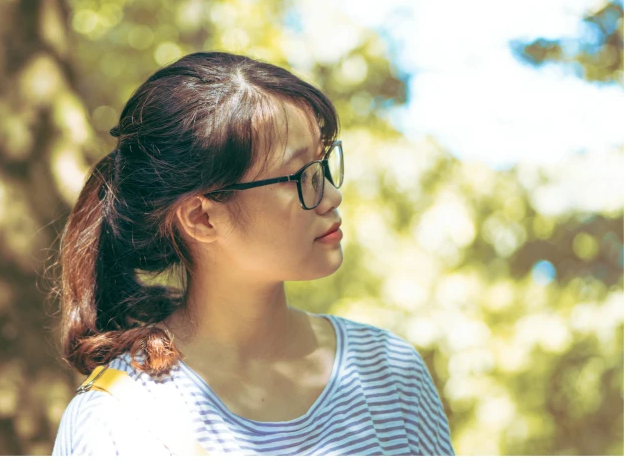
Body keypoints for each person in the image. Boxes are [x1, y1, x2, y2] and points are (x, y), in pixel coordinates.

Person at [50, 51, 455, 456]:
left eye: (323, 163)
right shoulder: (116, 423)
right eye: (300, 176)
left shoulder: (388, 372)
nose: (331, 195)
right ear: (202, 218)